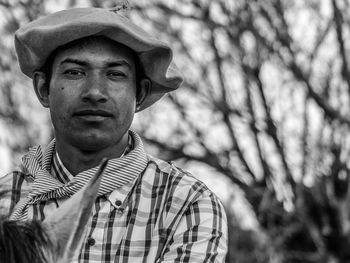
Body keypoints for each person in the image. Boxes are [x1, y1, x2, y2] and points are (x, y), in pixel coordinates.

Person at [0, 5, 228, 263]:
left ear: (139, 94)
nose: (95, 92)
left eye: (115, 74)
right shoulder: (6, 200)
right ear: (43, 89)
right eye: (75, 72)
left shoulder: (187, 204)